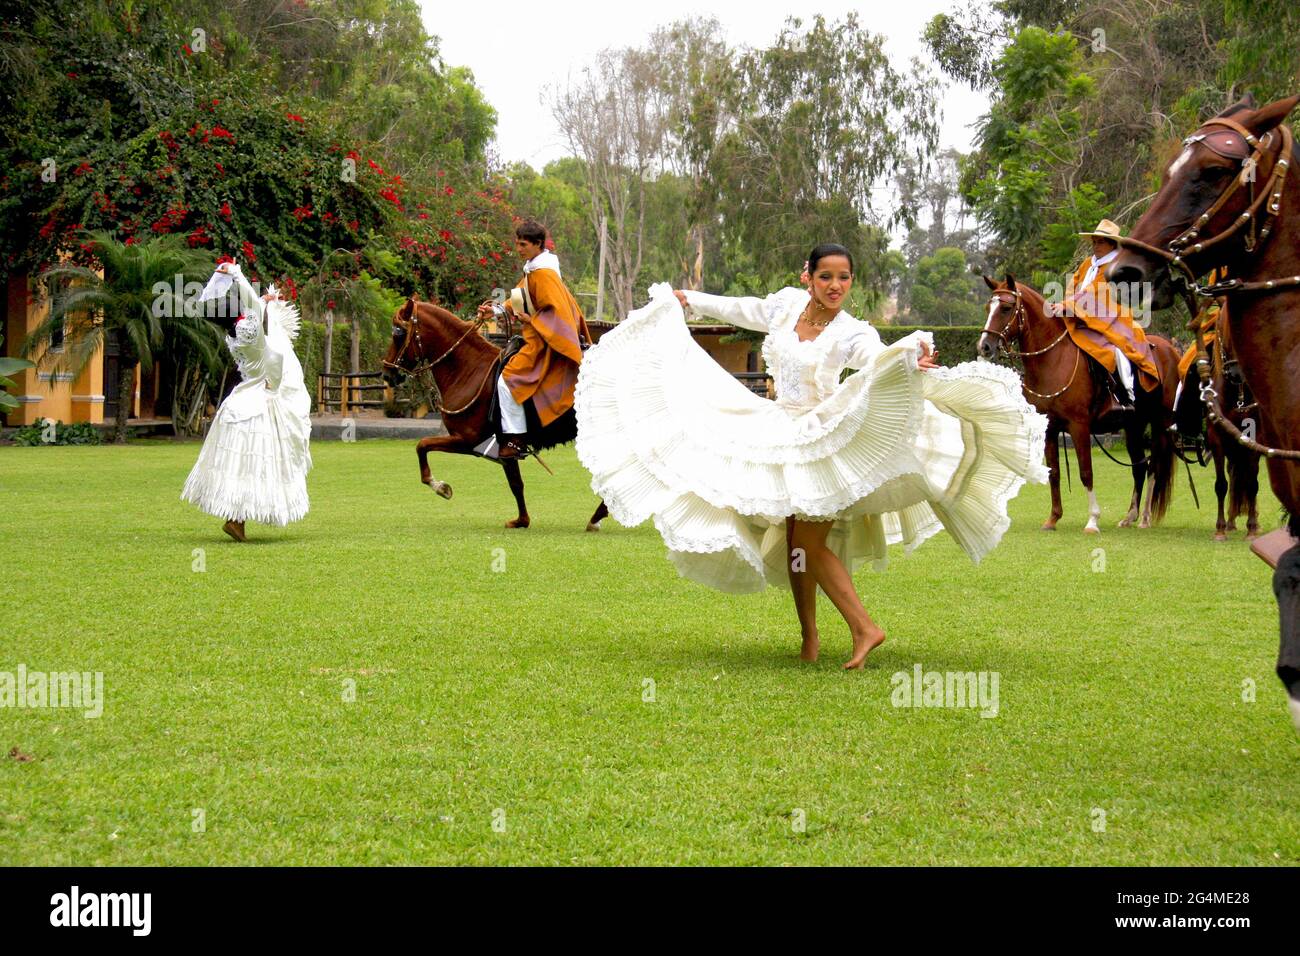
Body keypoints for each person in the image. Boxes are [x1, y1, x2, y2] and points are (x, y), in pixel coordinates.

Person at [574, 243, 1049, 668]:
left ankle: (865, 628)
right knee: (797, 545)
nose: (836, 286)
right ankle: (809, 639)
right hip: (779, 428)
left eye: (844, 278)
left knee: (808, 545)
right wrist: (690, 301)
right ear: (808, 276)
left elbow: (874, 355)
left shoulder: (850, 331)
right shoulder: (785, 306)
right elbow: (746, 309)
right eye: (826, 277)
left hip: (825, 439)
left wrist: (909, 354)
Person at [181, 260, 312, 540]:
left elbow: (255, 307)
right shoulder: (251, 331)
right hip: (262, 398)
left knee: (242, 466)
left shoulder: (234, 338)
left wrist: (264, 301)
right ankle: (236, 519)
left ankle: (236, 519)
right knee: (260, 464)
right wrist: (238, 275)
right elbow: (253, 307)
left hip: (241, 399)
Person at [477, 220, 590, 460]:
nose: (518, 249)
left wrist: (532, 320)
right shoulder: (533, 270)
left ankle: (515, 440)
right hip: (537, 337)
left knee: (507, 382)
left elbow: (557, 315)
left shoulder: (544, 275)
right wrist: (495, 311)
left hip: (544, 343)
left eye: (523, 244)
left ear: (538, 244)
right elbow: (517, 300)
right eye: (517, 244)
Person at [1044, 219, 1160, 420]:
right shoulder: (1087, 264)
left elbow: (1096, 291)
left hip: (1112, 318)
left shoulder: (1117, 266)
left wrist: (1068, 305)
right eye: (1094, 242)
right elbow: (1074, 286)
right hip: (1083, 316)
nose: (1095, 246)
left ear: (1112, 244)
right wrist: (1062, 304)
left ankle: (1127, 394)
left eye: (1100, 242)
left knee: (1115, 351)